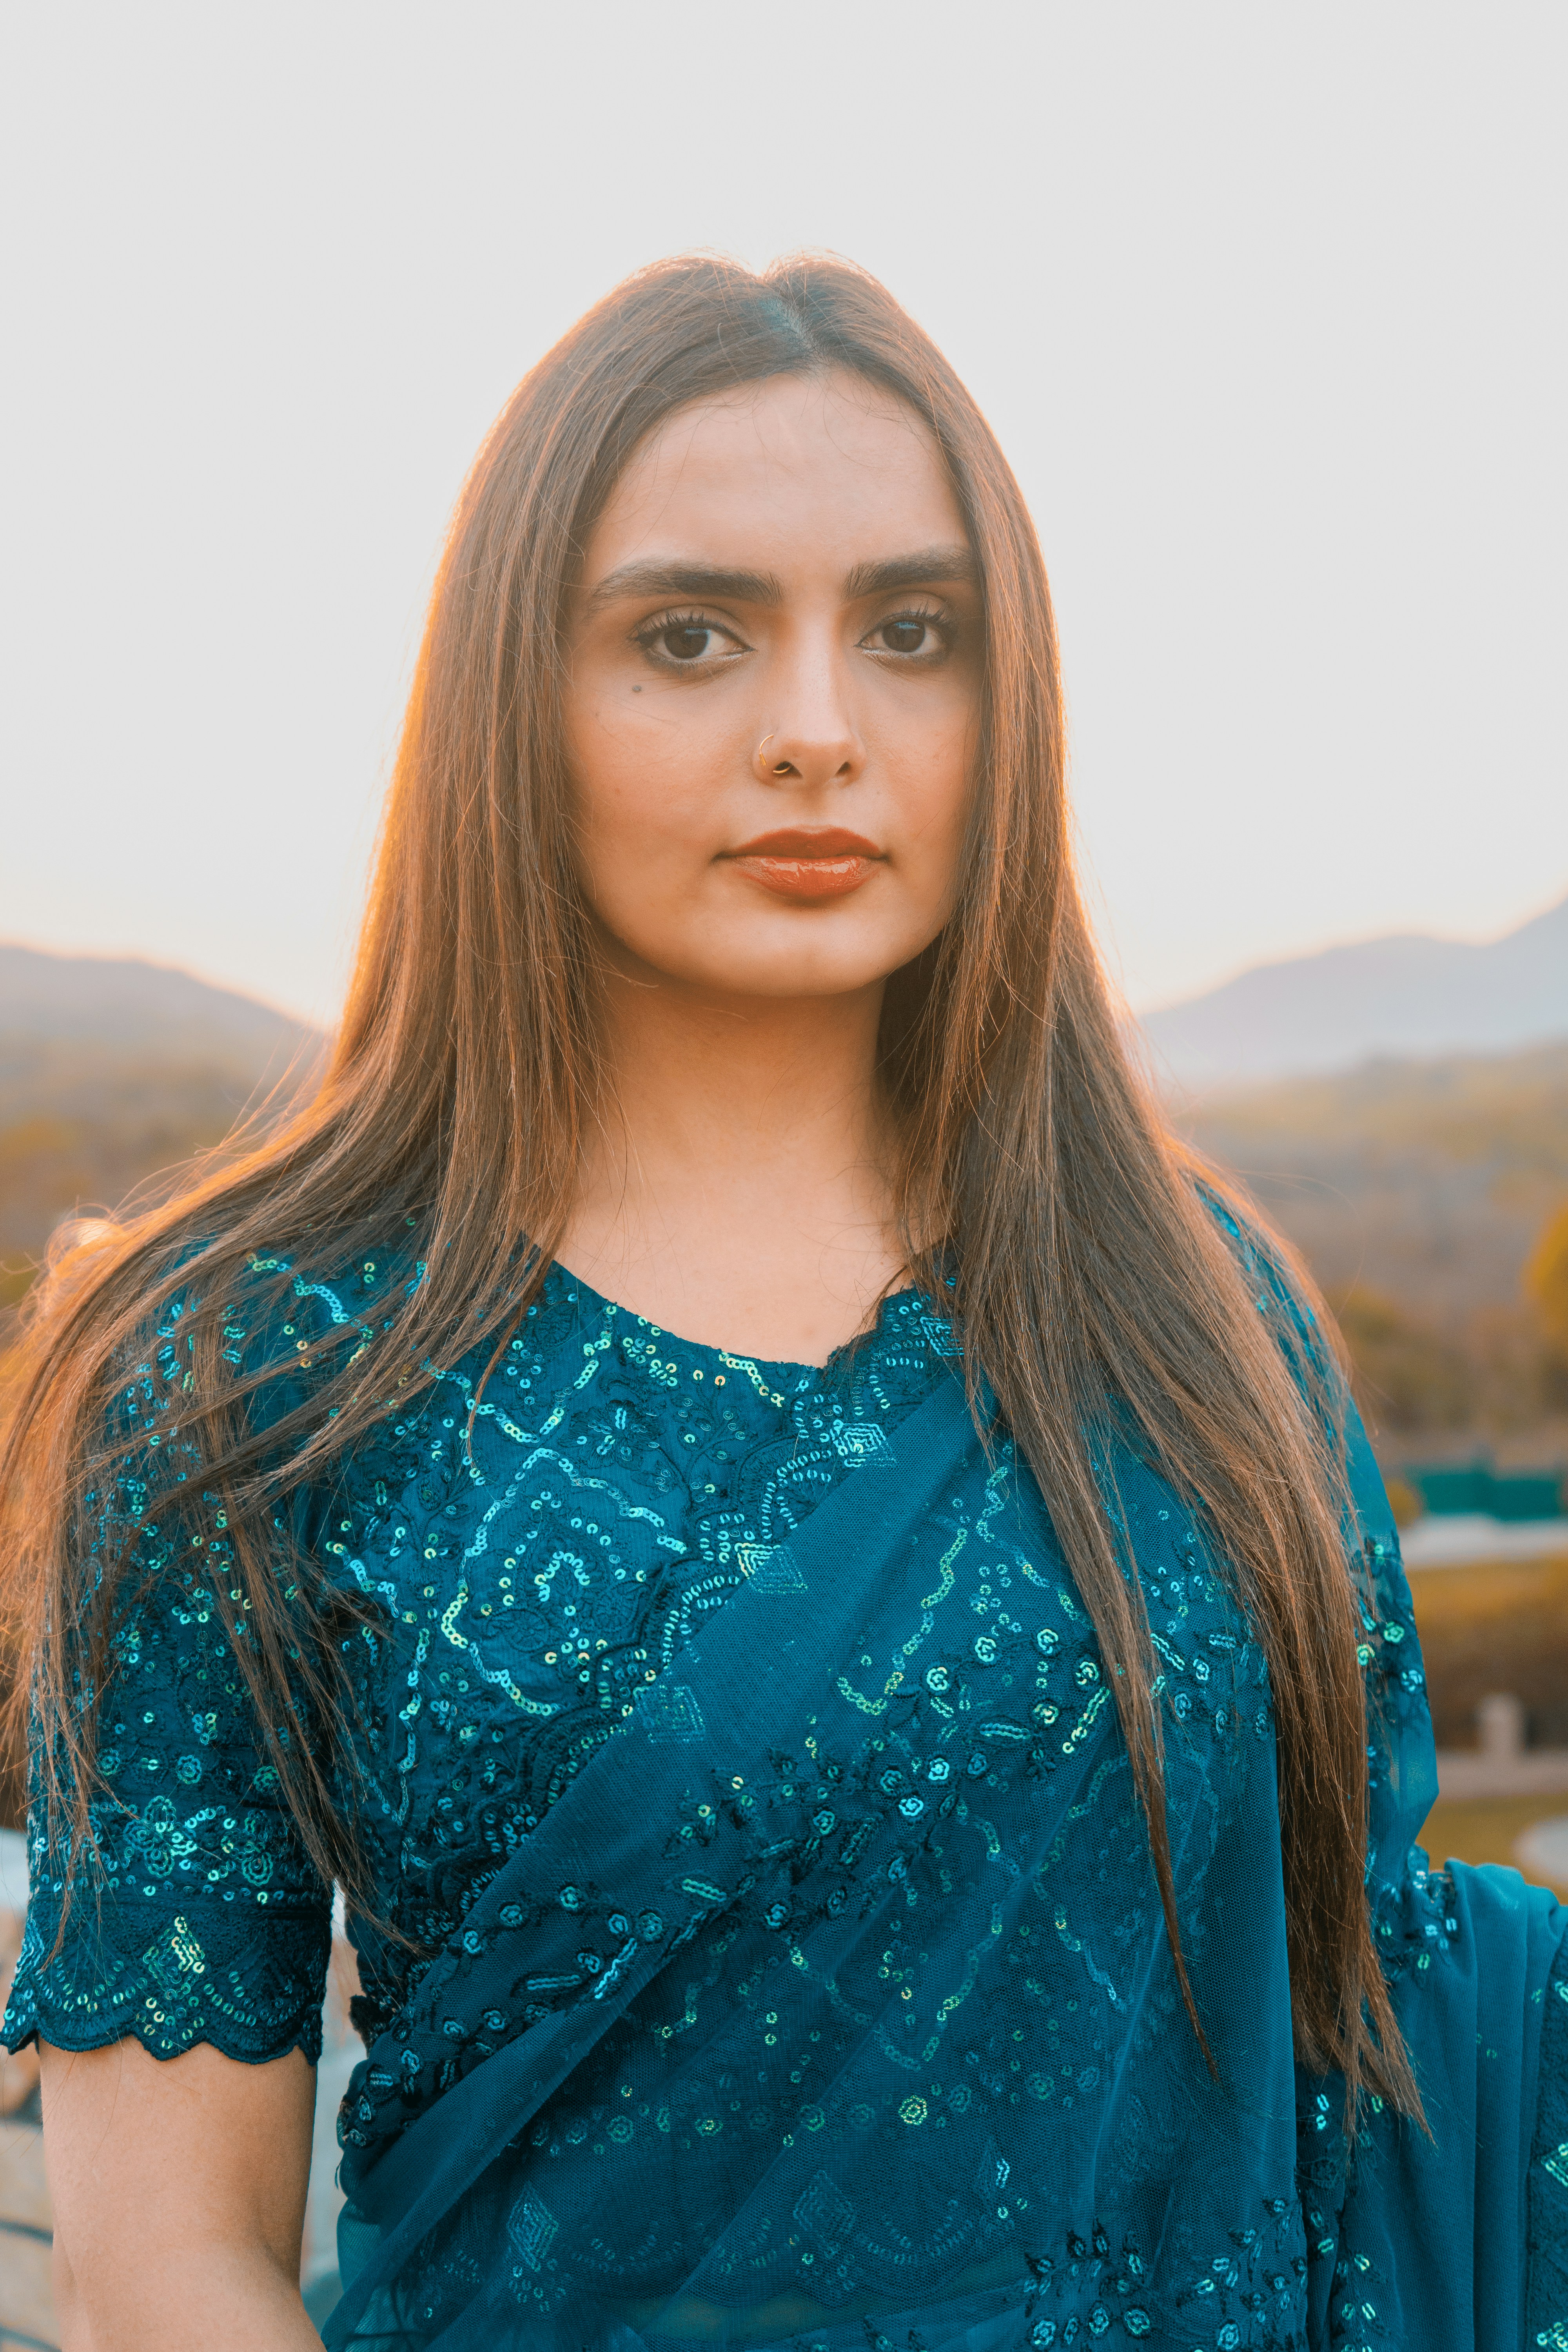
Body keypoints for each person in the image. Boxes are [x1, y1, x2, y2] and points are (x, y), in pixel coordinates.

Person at [2, 255, 1563, 2352]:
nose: (819, 731)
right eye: (689, 635)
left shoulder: (1203, 1320)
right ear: (510, 699)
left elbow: (1393, 2022)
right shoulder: (248, 1366)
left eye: (914, 634)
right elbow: (162, 2269)